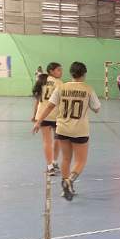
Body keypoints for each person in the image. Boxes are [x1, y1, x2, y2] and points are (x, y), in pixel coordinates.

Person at [32, 62, 100, 201]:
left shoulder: (61, 87)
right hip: (79, 130)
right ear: (84, 74)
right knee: (80, 161)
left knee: (66, 159)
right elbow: (97, 108)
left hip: (62, 128)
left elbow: (49, 106)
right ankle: (69, 181)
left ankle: (65, 187)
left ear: (71, 73)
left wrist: (38, 121)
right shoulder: (88, 89)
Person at [31, 62, 63, 176]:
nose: (61, 72)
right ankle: (54, 162)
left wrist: (35, 115)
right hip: (55, 115)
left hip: (42, 115)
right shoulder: (59, 83)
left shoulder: (41, 80)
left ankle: (50, 166)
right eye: (58, 70)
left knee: (46, 141)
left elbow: (37, 100)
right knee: (57, 139)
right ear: (51, 71)